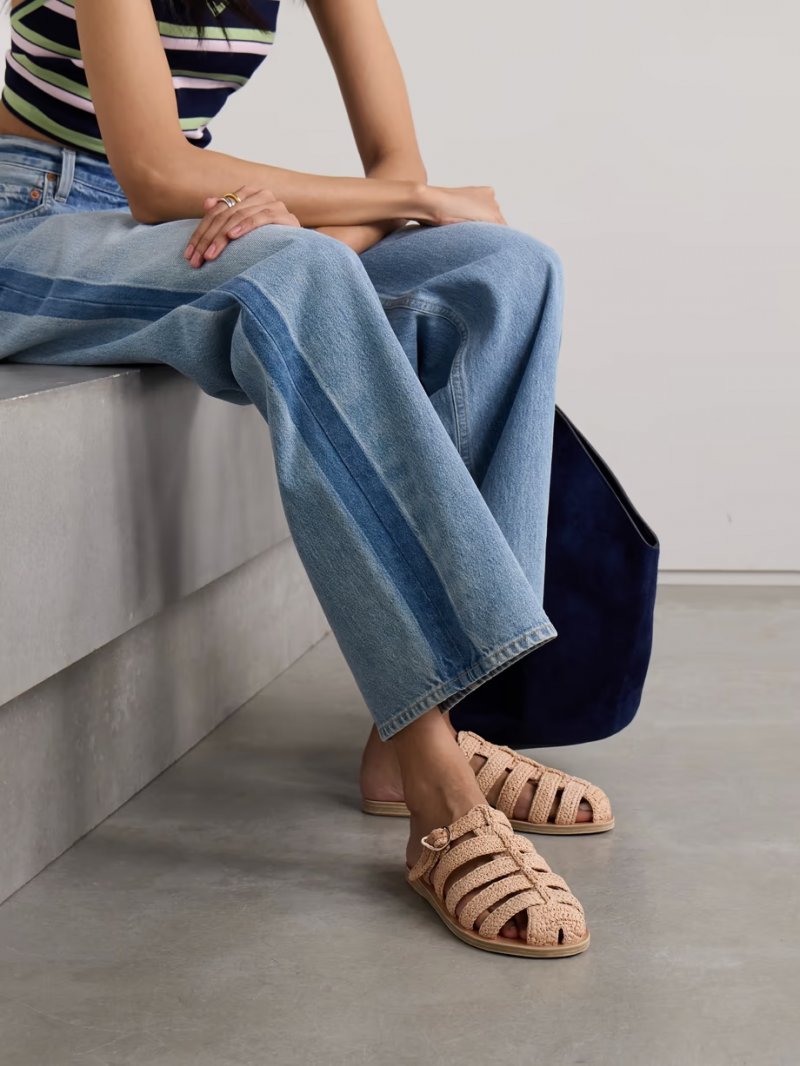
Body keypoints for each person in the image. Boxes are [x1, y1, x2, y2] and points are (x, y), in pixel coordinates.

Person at [0, 0, 613, 958]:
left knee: (505, 270)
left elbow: (394, 165)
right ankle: (437, 785)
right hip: (31, 216)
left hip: (194, 219)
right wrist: (395, 207)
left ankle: (431, 724)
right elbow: (156, 172)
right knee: (301, 267)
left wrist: (349, 225)